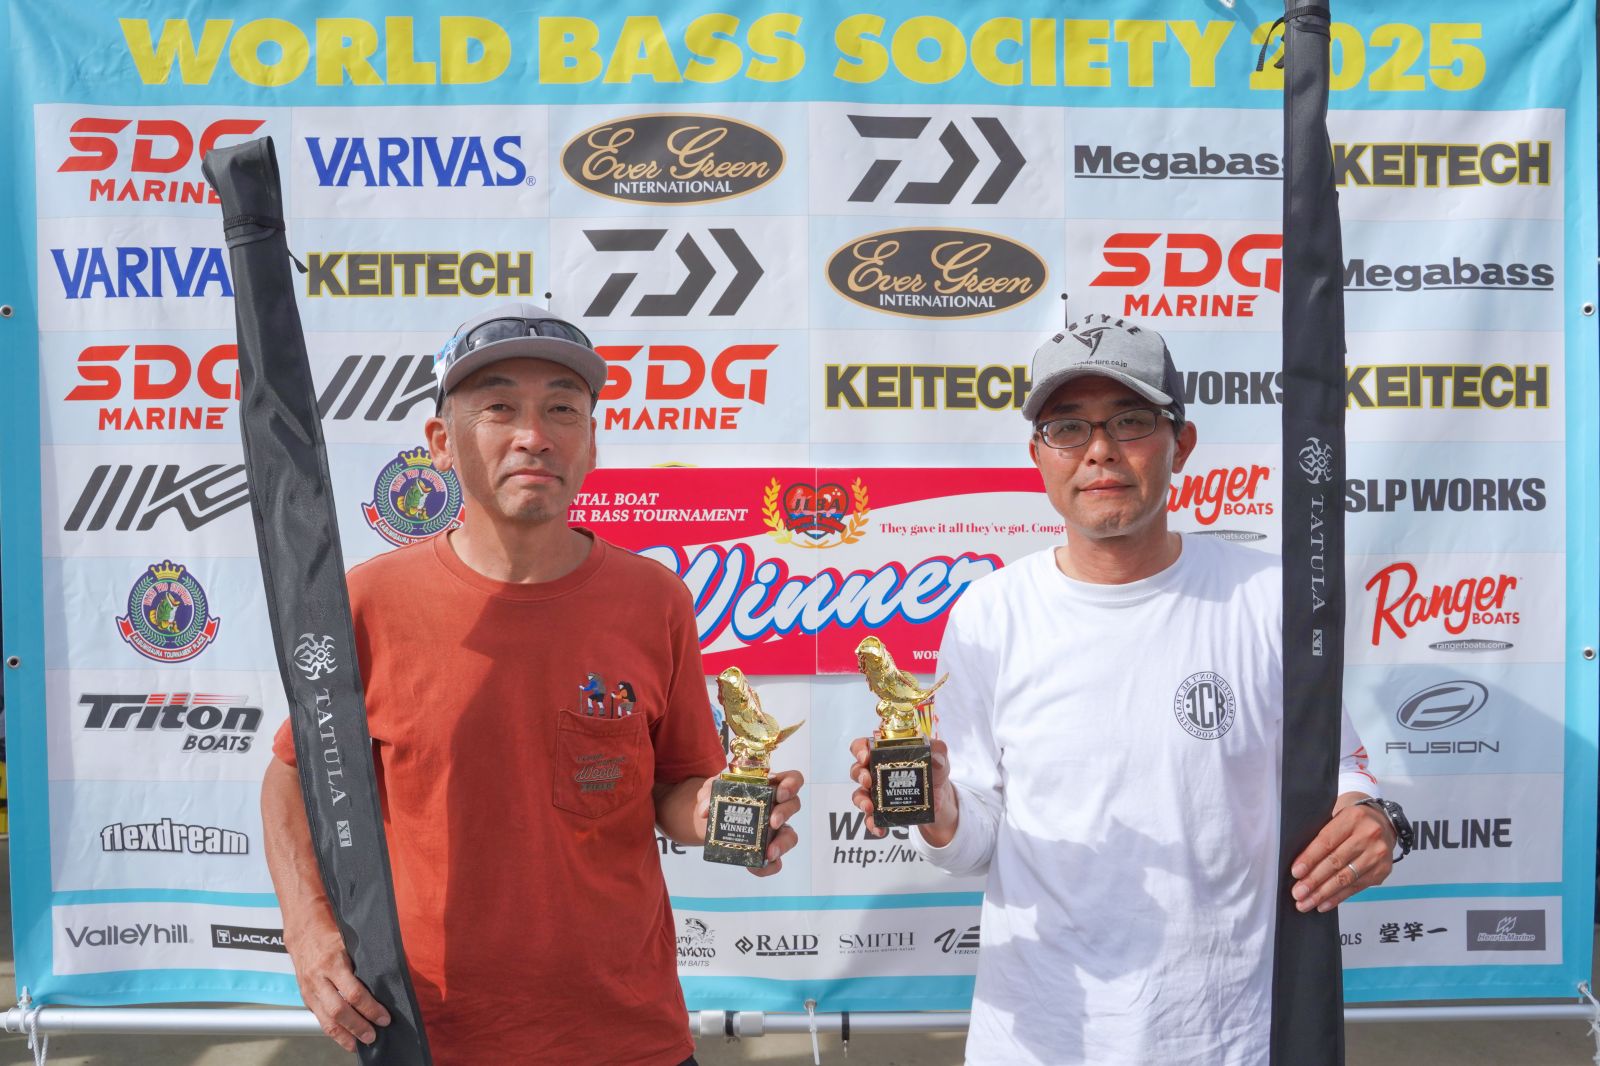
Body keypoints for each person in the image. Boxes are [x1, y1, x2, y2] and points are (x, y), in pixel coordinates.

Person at [848, 313, 1411, 1066]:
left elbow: (1339, 771)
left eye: (1130, 421)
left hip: (1228, 1038)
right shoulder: (990, 613)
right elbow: (973, 839)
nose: (1100, 451)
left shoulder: (1269, 599)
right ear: (1038, 456)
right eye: (1067, 428)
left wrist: (1372, 818)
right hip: (1041, 1043)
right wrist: (940, 808)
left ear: (1182, 443)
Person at [262, 302, 805, 1065]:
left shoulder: (653, 600)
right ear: (441, 444)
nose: (534, 435)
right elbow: (292, 777)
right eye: (499, 408)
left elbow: (676, 789)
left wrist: (721, 811)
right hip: (427, 1036)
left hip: (628, 1035)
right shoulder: (368, 603)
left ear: (591, 444)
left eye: (562, 409)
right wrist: (309, 929)